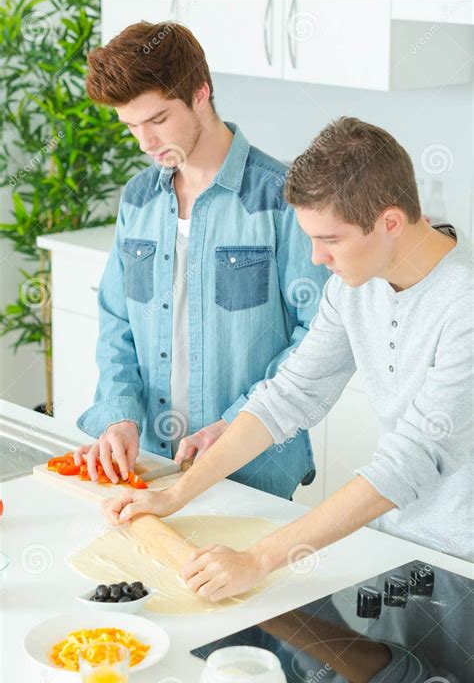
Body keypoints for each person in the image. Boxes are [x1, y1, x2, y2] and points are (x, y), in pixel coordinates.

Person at [104, 117, 473, 602]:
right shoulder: (352, 286)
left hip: (462, 555)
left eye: (331, 240)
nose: (316, 258)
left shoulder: (462, 304)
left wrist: (260, 559)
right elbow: (288, 395)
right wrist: (175, 494)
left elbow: (412, 460)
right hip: (400, 542)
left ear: (390, 222)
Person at [73, 21, 329, 500]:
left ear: (200, 94)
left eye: (158, 120)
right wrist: (120, 415)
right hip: (151, 468)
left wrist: (236, 427)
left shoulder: (283, 198)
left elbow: (317, 339)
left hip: (253, 474)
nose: (146, 143)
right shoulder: (139, 199)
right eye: (132, 127)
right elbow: (117, 321)